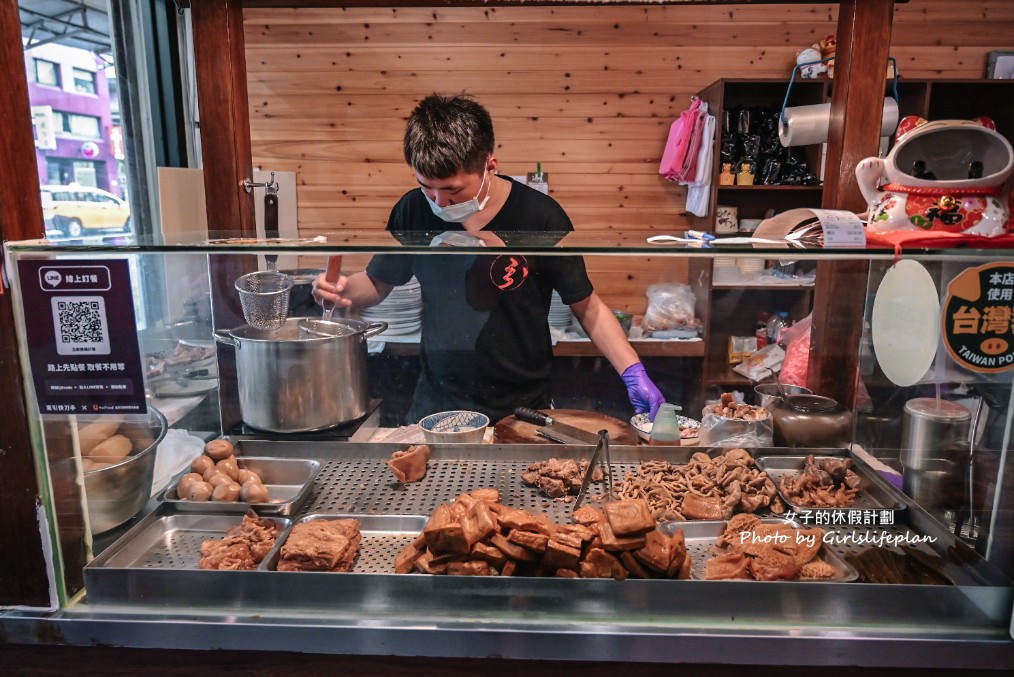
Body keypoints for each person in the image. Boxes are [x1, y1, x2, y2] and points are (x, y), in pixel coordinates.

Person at [314, 93, 664, 424]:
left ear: (490, 166)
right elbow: (377, 283)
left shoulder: (539, 216)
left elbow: (587, 307)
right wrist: (341, 288)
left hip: (524, 405)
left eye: (452, 189)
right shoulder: (413, 209)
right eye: (426, 186)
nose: (439, 201)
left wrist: (633, 372)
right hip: (437, 402)